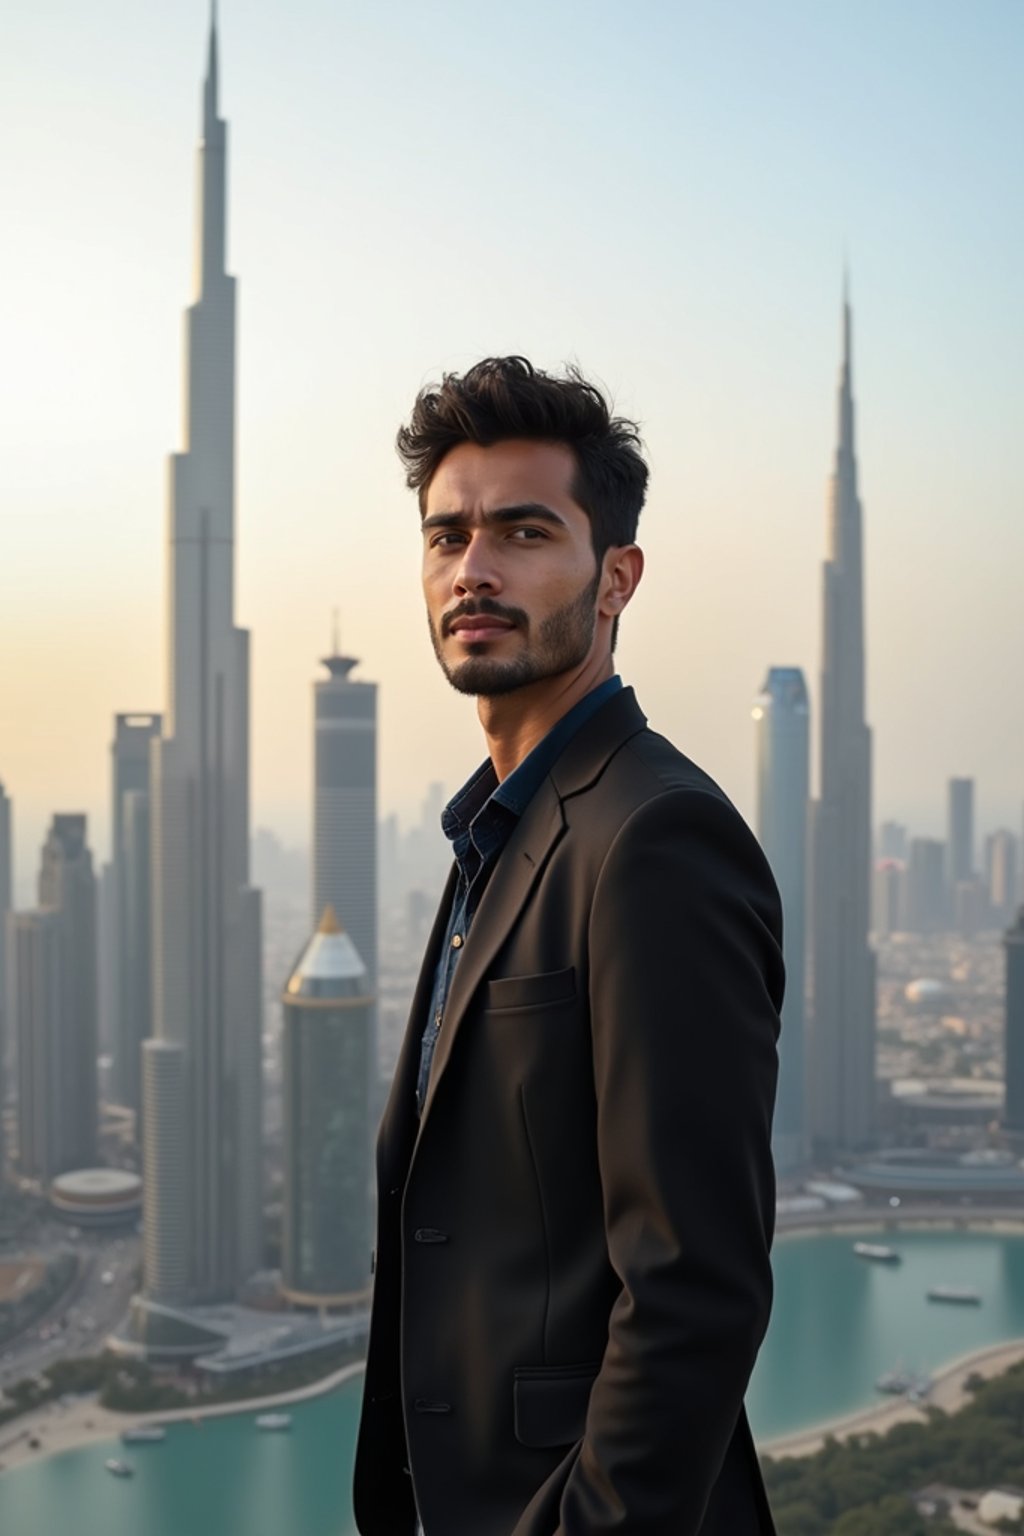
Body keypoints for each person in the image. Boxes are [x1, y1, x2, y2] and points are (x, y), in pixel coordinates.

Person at [353, 356, 784, 1536]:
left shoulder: (652, 836)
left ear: (615, 576)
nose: (474, 569)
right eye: (447, 537)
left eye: (524, 531)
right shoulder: (495, 834)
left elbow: (693, 1290)